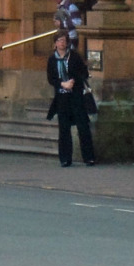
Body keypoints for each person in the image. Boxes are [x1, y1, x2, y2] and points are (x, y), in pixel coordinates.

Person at [46, 34, 97, 167]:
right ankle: (65, 158)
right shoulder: (52, 59)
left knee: (83, 126)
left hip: (76, 96)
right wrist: (62, 84)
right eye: (59, 40)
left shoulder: (74, 56)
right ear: (55, 43)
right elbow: (51, 78)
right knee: (64, 128)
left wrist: (73, 81)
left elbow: (84, 73)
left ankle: (89, 157)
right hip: (62, 97)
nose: (62, 43)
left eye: (64, 40)